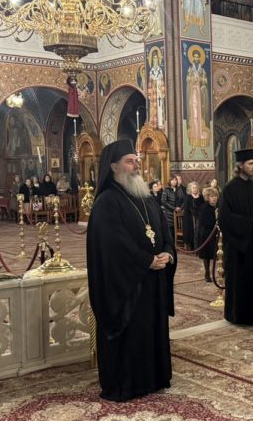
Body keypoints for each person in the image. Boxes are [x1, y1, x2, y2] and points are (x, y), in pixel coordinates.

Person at [87, 139, 176, 402]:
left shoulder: (146, 198)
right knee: (132, 333)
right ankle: (128, 383)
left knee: (152, 330)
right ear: (113, 166)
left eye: (136, 160)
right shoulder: (106, 202)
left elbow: (164, 230)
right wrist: (146, 260)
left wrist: (168, 252)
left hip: (153, 281)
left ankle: (154, 377)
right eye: (129, 161)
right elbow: (113, 244)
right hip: (127, 285)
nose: (136, 165)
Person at [219, 149, 253, 325]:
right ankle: (237, 316)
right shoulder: (229, 188)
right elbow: (225, 218)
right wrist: (249, 222)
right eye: (250, 164)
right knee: (239, 280)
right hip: (237, 246)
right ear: (240, 165)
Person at [197, 187, 219, 282]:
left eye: (215, 196)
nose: (214, 198)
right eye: (211, 196)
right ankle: (207, 273)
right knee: (207, 255)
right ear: (207, 197)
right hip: (207, 234)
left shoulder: (218, 206)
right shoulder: (204, 208)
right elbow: (204, 222)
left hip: (217, 233)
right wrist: (215, 222)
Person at [182, 181, 204, 250]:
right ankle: (191, 246)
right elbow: (187, 208)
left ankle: (199, 246)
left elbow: (203, 207)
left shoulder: (201, 197)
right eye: (193, 187)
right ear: (190, 189)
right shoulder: (187, 197)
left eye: (196, 187)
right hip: (190, 218)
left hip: (199, 217)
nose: (195, 189)